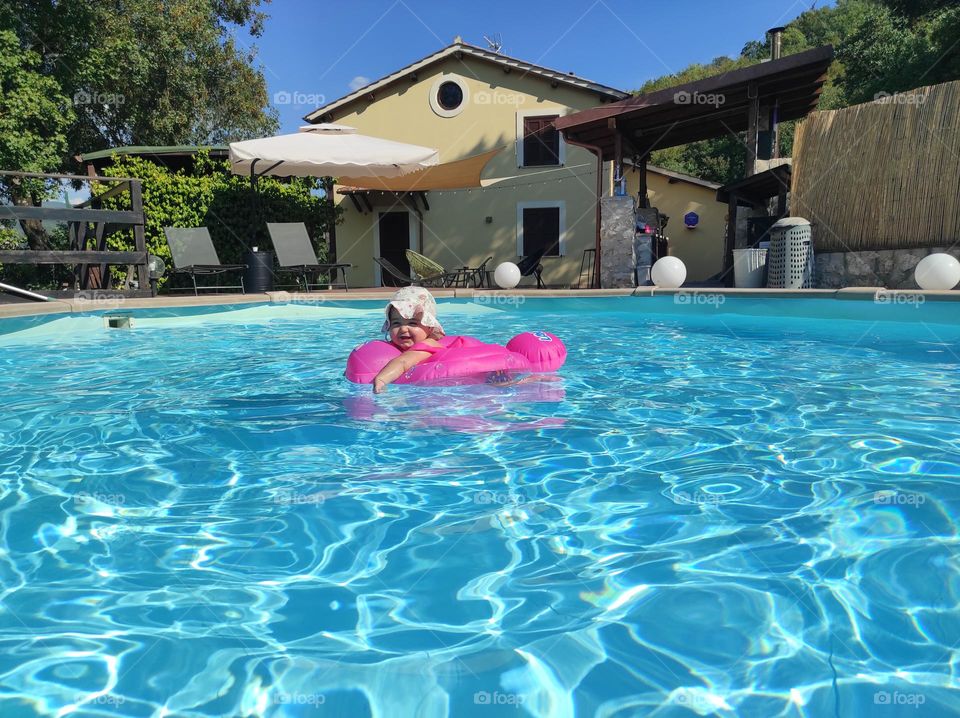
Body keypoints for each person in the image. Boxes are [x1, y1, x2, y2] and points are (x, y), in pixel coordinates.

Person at [373, 287, 445, 393]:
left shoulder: (429, 344)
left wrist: (381, 380)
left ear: (429, 326)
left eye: (412, 323)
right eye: (396, 323)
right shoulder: (393, 345)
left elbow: (403, 362)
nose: (403, 328)